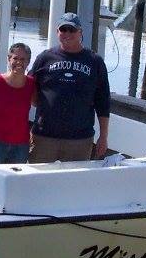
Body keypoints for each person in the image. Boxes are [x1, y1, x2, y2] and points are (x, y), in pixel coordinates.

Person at [28, 12, 110, 163]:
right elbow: (29, 88)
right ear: (57, 32)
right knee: (38, 181)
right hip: (45, 137)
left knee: (73, 184)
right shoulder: (44, 58)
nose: (67, 33)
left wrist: (103, 137)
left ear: (80, 33)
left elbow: (103, 102)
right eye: (63, 29)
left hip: (79, 139)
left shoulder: (95, 61)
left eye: (72, 30)